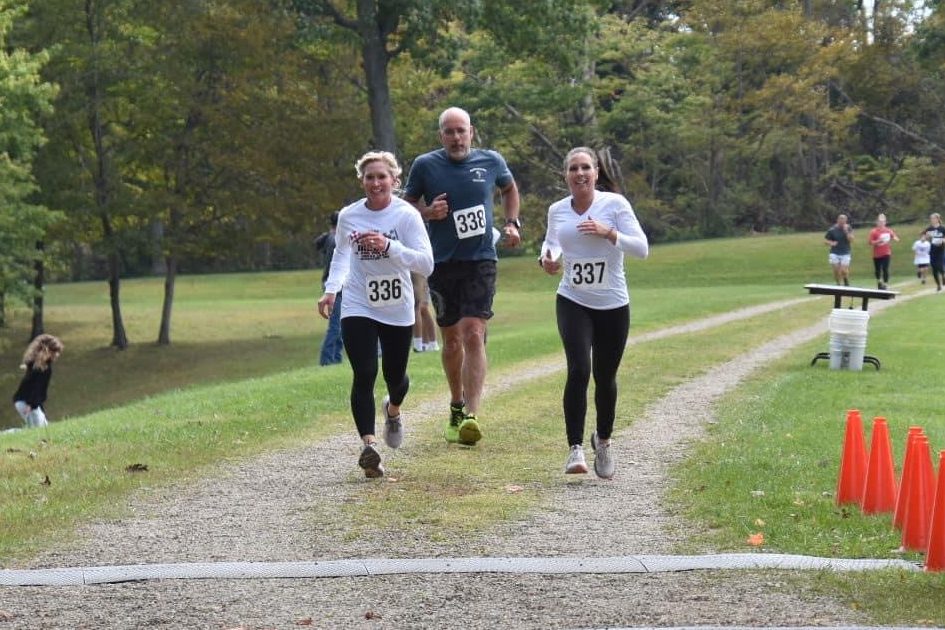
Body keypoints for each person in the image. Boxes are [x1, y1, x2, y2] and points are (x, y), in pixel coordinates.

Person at [403, 106, 521, 446]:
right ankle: (456, 404)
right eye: (450, 132)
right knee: (452, 340)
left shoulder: (491, 161)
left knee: (473, 332)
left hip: (480, 259)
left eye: (461, 131)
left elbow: (509, 189)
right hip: (442, 263)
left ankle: (472, 414)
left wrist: (512, 223)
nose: (456, 138)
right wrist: (428, 212)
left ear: (471, 132)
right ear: (441, 136)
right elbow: (405, 206)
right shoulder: (425, 165)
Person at [317, 151, 433, 478]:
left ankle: (393, 410)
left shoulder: (406, 215)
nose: (376, 182)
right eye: (370, 177)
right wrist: (331, 289)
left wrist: (388, 246)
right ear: (362, 181)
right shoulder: (349, 215)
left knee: (395, 377)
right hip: (359, 302)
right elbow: (342, 254)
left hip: (397, 306)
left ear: (394, 181)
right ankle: (369, 448)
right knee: (365, 372)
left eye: (382, 177)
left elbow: (426, 263)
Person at [538, 147, 649, 479]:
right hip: (572, 299)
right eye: (573, 168)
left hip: (613, 304)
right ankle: (575, 448)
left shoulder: (614, 205)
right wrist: (547, 259)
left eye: (585, 167)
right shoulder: (557, 210)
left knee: (605, 376)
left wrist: (609, 233)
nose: (580, 173)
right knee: (578, 369)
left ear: (596, 173)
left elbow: (642, 248)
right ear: (566, 175)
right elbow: (551, 243)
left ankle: (603, 440)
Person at [12, 334, 64, 429]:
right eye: (55, 351)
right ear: (47, 351)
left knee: (43, 427)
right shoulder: (44, 369)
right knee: (39, 430)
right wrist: (31, 405)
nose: (57, 355)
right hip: (27, 403)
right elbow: (37, 388)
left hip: (23, 402)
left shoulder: (34, 365)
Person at [316, 211, 344, 366]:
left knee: (340, 325)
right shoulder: (336, 240)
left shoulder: (328, 237)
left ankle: (336, 358)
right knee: (335, 326)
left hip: (332, 284)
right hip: (336, 286)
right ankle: (327, 360)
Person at [867, 213, 899, 290]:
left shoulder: (888, 230)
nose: (881, 223)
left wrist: (895, 238)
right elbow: (870, 242)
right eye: (880, 222)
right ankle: (879, 281)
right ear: (877, 222)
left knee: (885, 268)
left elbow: (894, 236)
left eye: (883, 222)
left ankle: (885, 284)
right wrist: (878, 241)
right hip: (877, 254)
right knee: (878, 270)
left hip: (886, 253)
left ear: (885, 222)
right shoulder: (874, 231)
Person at [411, 272, 439, 352]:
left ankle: (418, 345)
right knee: (422, 308)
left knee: (418, 308)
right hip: (420, 272)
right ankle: (428, 344)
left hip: (418, 273)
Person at [825, 214, 854, 286]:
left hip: (845, 252)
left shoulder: (848, 228)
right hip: (834, 252)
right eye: (841, 221)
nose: (842, 223)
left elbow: (851, 240)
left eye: (844, 221)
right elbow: (826, 241)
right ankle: (838, 284)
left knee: (843, 270)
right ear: (837, 221)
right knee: (836, 270)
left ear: (846, 221)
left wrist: (846, 231)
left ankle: (846, 280)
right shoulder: (832, 230)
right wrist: (831, 243)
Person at [923, 213, 945, 292]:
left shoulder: (942, 228)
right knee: (934, 269)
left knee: (940, 266)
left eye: (933, 218)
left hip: (941, 250)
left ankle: (943, 276)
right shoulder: (929, 228)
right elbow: (924, 237)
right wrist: (926, 237)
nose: (932, 220)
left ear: (938, 219)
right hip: (932, 250)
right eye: (931, 219)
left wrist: (943, 240)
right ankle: (938, 285)